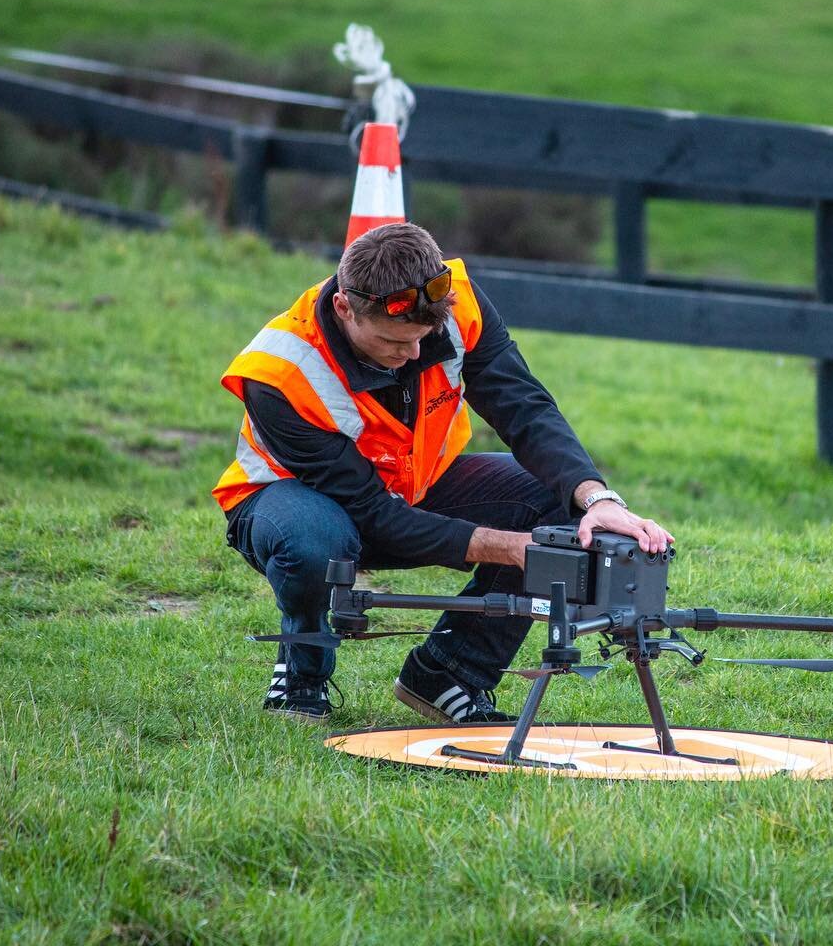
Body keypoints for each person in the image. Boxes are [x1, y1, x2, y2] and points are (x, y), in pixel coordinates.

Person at [212, 223, 673, 723]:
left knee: (551, 502)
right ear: (344, 308)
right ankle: (302, 672)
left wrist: (596, 498)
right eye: (393, 341)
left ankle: (449, 674)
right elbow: (370, 513)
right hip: (291, 502)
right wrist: (514, 548)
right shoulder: (278, 372)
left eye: (423, 338)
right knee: (314, 541)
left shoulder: (458, 306)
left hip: (413, 486)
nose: (412, 356)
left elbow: (525, 408)